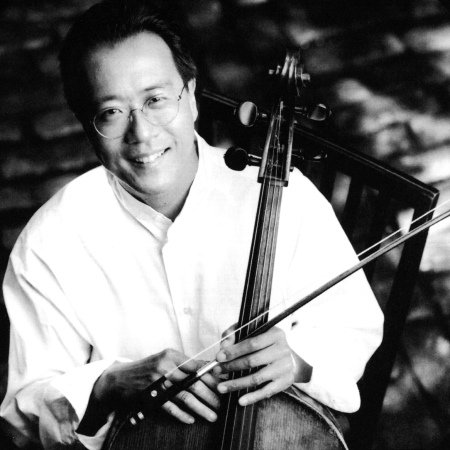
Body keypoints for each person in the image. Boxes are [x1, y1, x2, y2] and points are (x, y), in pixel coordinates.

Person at [0, 0, 383, 448]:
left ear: (192, 96)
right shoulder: (48, 243)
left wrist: (297, 360)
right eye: (111, 112)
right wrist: (105, 385)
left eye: (156, 100)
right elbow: (26, 409)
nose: (142, 133)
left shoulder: (285, 195)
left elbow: (354, 324)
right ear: (88, 126)